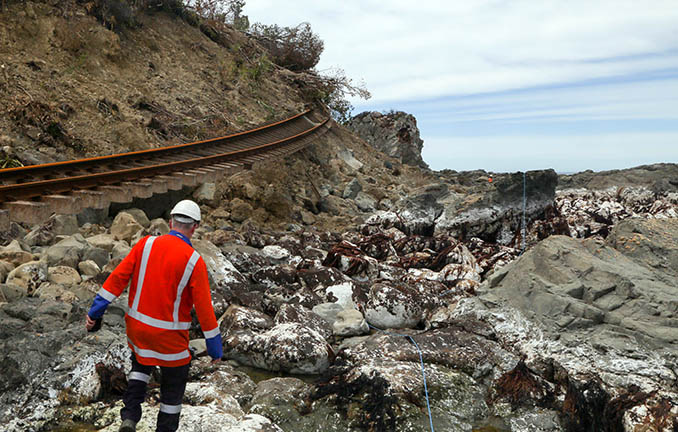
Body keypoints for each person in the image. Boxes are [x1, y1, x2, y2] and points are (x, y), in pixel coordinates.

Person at [85, 200, 222, 432]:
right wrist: (215, 347)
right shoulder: (194, 261)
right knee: (173, 387)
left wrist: (94, 312)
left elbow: (116, 280)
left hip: (138, 331)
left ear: (171, 222)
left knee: (141, 362)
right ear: (195, 227)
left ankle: (129, 417)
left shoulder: (145, 245)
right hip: (171, 340)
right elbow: (204, 309)